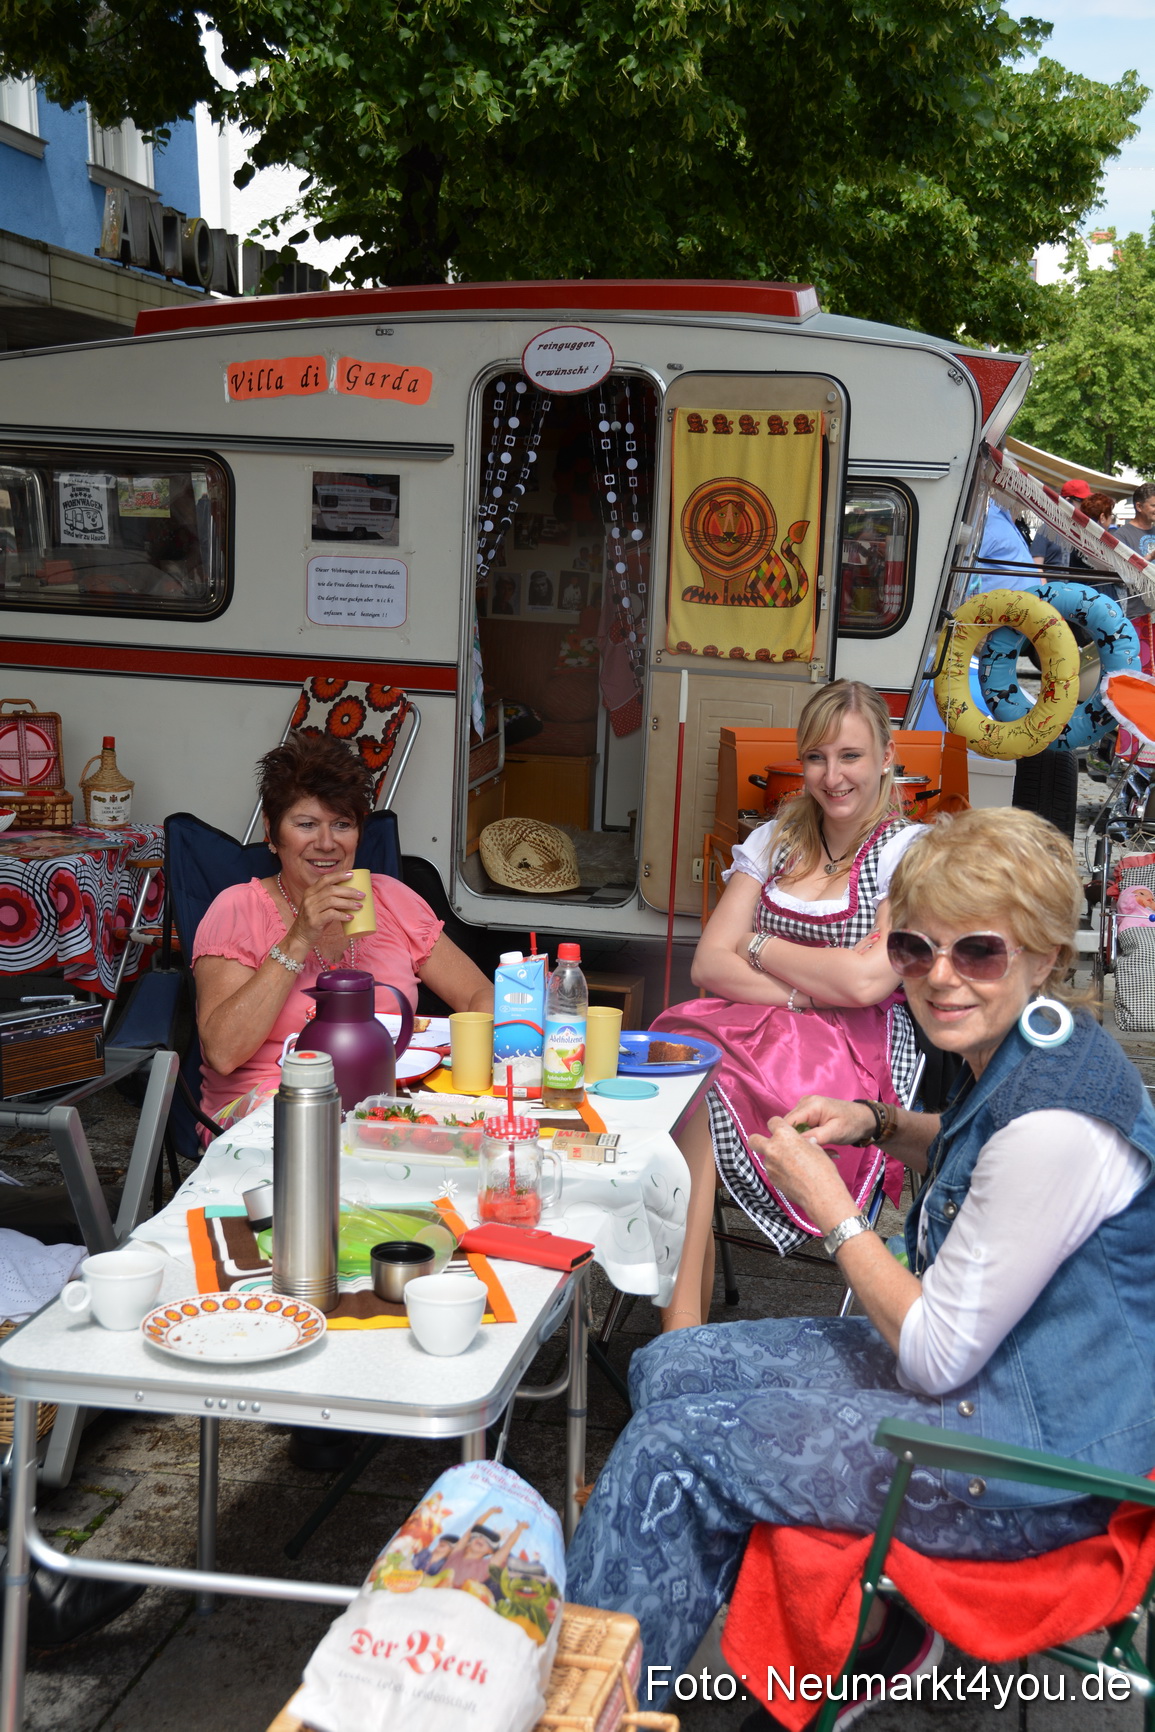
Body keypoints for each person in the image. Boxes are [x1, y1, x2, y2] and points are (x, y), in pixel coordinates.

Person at [566, 807, 1155, 1718]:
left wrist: (834, 1209)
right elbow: (973, 1156)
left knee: (669, 1455)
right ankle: (780, 1634)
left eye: (980, 954)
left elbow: (935, 1353)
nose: (940, 979)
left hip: (1029, 1462)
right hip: (997, 1380)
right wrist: (875, 1121)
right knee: (668, 1362)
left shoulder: (1056, 1124)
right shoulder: (1028, 1042)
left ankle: (597, 1703)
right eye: (916, 950)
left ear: (1043, 956)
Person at [649, 680, 925, 1330]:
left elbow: (865, 987)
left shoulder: (903, 852)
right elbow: (707, 963)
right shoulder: (776, 838)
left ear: (886, 756)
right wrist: (805, 989)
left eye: (850, 756)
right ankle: (680, 1324)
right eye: (817, 758)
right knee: (680, 1065)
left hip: (850, 1047)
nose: (832, 777)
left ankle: (679, 1329)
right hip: (746, 1029)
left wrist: (759, 943)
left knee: (696, 1087)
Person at [193, 733, 492, 1127]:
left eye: (342, 824)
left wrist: (478, 1057)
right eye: (306, 824)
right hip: (272, 1103)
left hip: (386, 1099)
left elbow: (478, 994)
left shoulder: (390, 899)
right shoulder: (238, 908)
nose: (326, 843)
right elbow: (223, 1052)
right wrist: (300, 935)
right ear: (272, 831)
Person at [1117, 482, 1155, 562]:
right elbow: (1123, 568)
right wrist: (1151, 556)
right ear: (1139, 507)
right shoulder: (1122, 535)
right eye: (1153, 506)